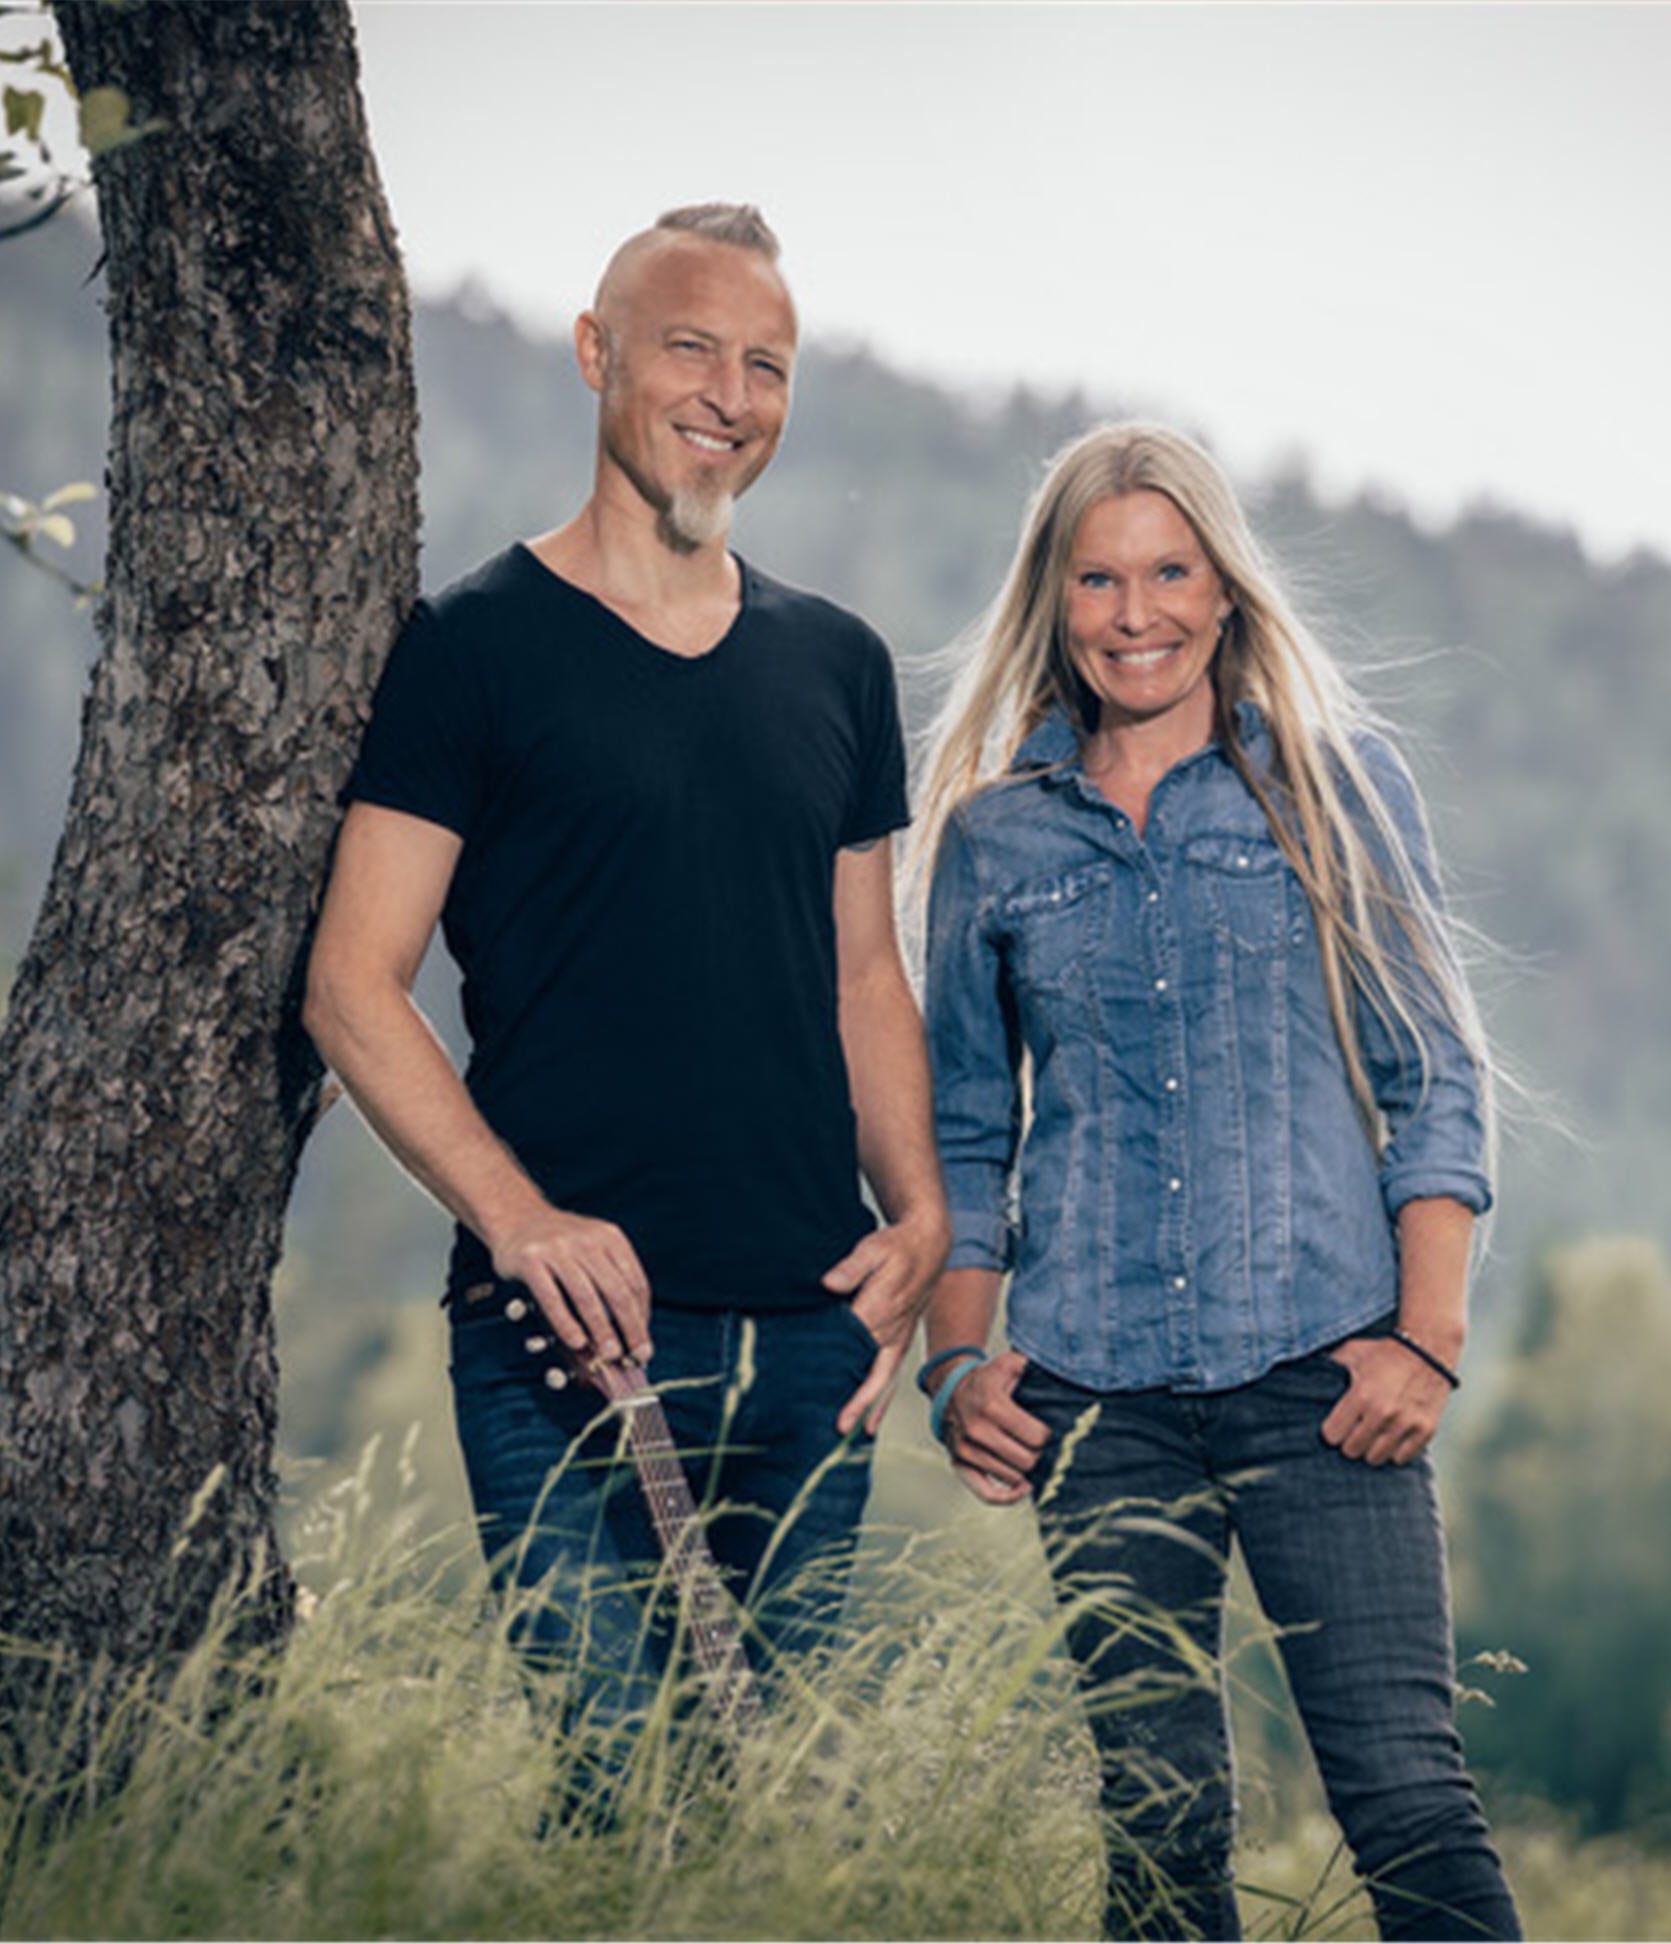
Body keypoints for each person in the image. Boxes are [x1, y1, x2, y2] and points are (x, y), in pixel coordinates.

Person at [305, 204, 948, 1712]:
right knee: (616, 1802)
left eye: (767, 366)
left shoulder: (837, 664)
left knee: (784, 1829)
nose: (731, 394)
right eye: (691, 350)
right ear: (598, 355)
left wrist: (920, 1220)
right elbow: (350, 979)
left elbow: (864, 976)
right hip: (565, 1346)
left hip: (809, 1344)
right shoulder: (469, 649)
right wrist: (519, 1222)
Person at [914, 423, 1521, 1940]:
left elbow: (1430, 1077)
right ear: (1051, 603)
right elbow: (964, 1132)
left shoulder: (1334, 789)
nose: (1136, 613)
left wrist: (1424, 1341)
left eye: (1169, 571)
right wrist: (955, 1361)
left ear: (1226, 588)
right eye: (1099, 578)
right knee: (1159, 1842)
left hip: (1327, 1378)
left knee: (1408, 1807)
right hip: (1098, 1402)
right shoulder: (994, 841)